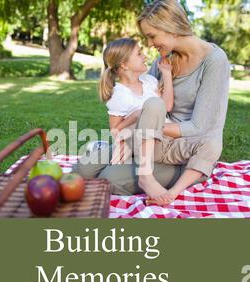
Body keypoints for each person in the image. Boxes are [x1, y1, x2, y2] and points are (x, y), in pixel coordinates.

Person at [73, 0, 230, 206]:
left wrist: (143, 129)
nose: (149, 44)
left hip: (184, 151)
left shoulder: (214, 61)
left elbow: (199, 127)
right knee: (83, 170)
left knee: (108, 179)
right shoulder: (164, 59)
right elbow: (143, 98)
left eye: (152, 36)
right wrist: (128, 133)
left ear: (172, 29)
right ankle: (134, 161)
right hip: (152, 143)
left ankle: (151, 174)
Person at [99, 38, 174, 166]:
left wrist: (166, 75)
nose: (145, 56)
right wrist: (136, 116)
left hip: (163, 137)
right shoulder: (119, 95)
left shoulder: (149, 82)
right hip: (139, 143)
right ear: (124, 65)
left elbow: (166, 106)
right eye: (139, 53)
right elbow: (114, 131)